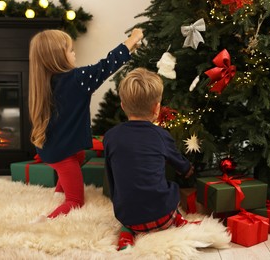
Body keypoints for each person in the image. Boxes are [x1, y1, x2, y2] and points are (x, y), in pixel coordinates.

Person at [28, 28, 143, 221]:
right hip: (61, 156)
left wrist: (129, 48)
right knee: (75, 201)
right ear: (58, 57)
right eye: (70, 50)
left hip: (53, 149)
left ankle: (59, 192)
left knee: (79, 156)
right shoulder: (77, 79)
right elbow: (107, 65)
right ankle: (46, 220)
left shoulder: (44, 81)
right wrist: (133, 39)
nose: (74, 53)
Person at [103, 68, 195, 250]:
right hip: (163, 217)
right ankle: (178, 219)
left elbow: (111, 174)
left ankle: (127, 232)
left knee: (129, 207)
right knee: (172, 188)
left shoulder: (110, 137)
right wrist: (187, 170)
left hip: (128, 215)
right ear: (156, 108)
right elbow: (180, 164)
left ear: (122, 105)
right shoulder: (161, 135)